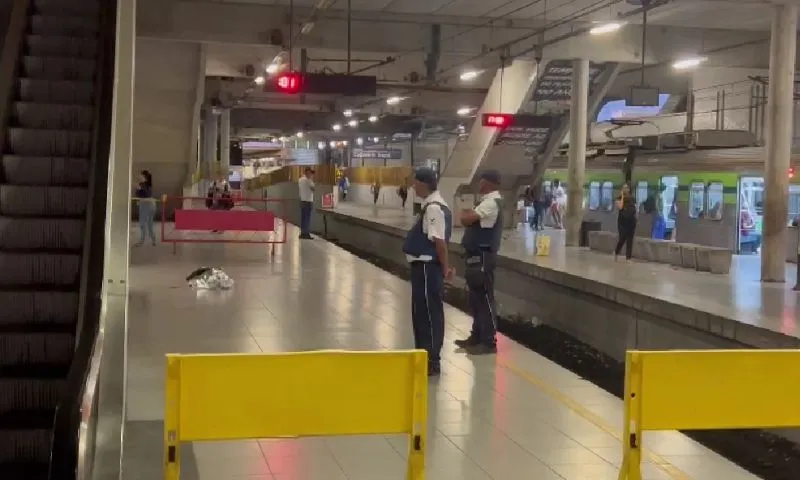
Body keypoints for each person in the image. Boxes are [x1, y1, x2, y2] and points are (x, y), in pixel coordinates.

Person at [401, 167, 453, 376]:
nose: (413, 187)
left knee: (428, 314)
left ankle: (431, 360)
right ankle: (424, 356)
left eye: (416, 183)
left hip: (426, 268)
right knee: (421, 312)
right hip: (423, 267)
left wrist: (445, 267)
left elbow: (439, 242)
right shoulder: (431, 206)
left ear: (424, 184)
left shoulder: (433, 207)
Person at [454, 170, 503, 355]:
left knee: (485, 299)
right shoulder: (486, 201)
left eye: (482, 181)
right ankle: (476, 336)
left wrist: (465, 210)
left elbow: (466, 219)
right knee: (476, 299)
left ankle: (488, 342)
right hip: (476, 257)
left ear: (488, 183)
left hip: (483, 257)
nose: (479, 184)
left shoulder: (491, 202)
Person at [615, 183, 637, 261]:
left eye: (627, 187)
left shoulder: (632, 198)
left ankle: (628, 258)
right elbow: (620, 206)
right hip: (622, 222)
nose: (625, 189)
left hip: (631, 221)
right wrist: (622, 197)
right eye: (624, 188)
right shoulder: (619, 198)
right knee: (622, 238)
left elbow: (635, 208)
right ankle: (616, 252)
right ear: (621, 189)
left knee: (630, 239)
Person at [133, 170, 156, 246]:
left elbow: (145, 194)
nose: (139, 176)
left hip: (146, 205)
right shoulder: (148, 185)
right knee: (150, 224)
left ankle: (141, 241)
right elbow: (143, 194)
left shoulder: (142, 184)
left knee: (142, 224)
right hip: (151, 205)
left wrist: (138, 188)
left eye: (141, 175)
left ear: (144, 177)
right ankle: (153, 240)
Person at [298, 168, 315, 239]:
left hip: (302, 201)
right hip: (308, 201)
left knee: (303, 218)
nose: (311, 175)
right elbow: (313, 189)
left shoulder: (300, 180)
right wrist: (311, 180)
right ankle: (306, 234)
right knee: (307, 218)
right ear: (307, 172)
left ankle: (302, 233)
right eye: (310, 173)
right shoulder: (308, 180)